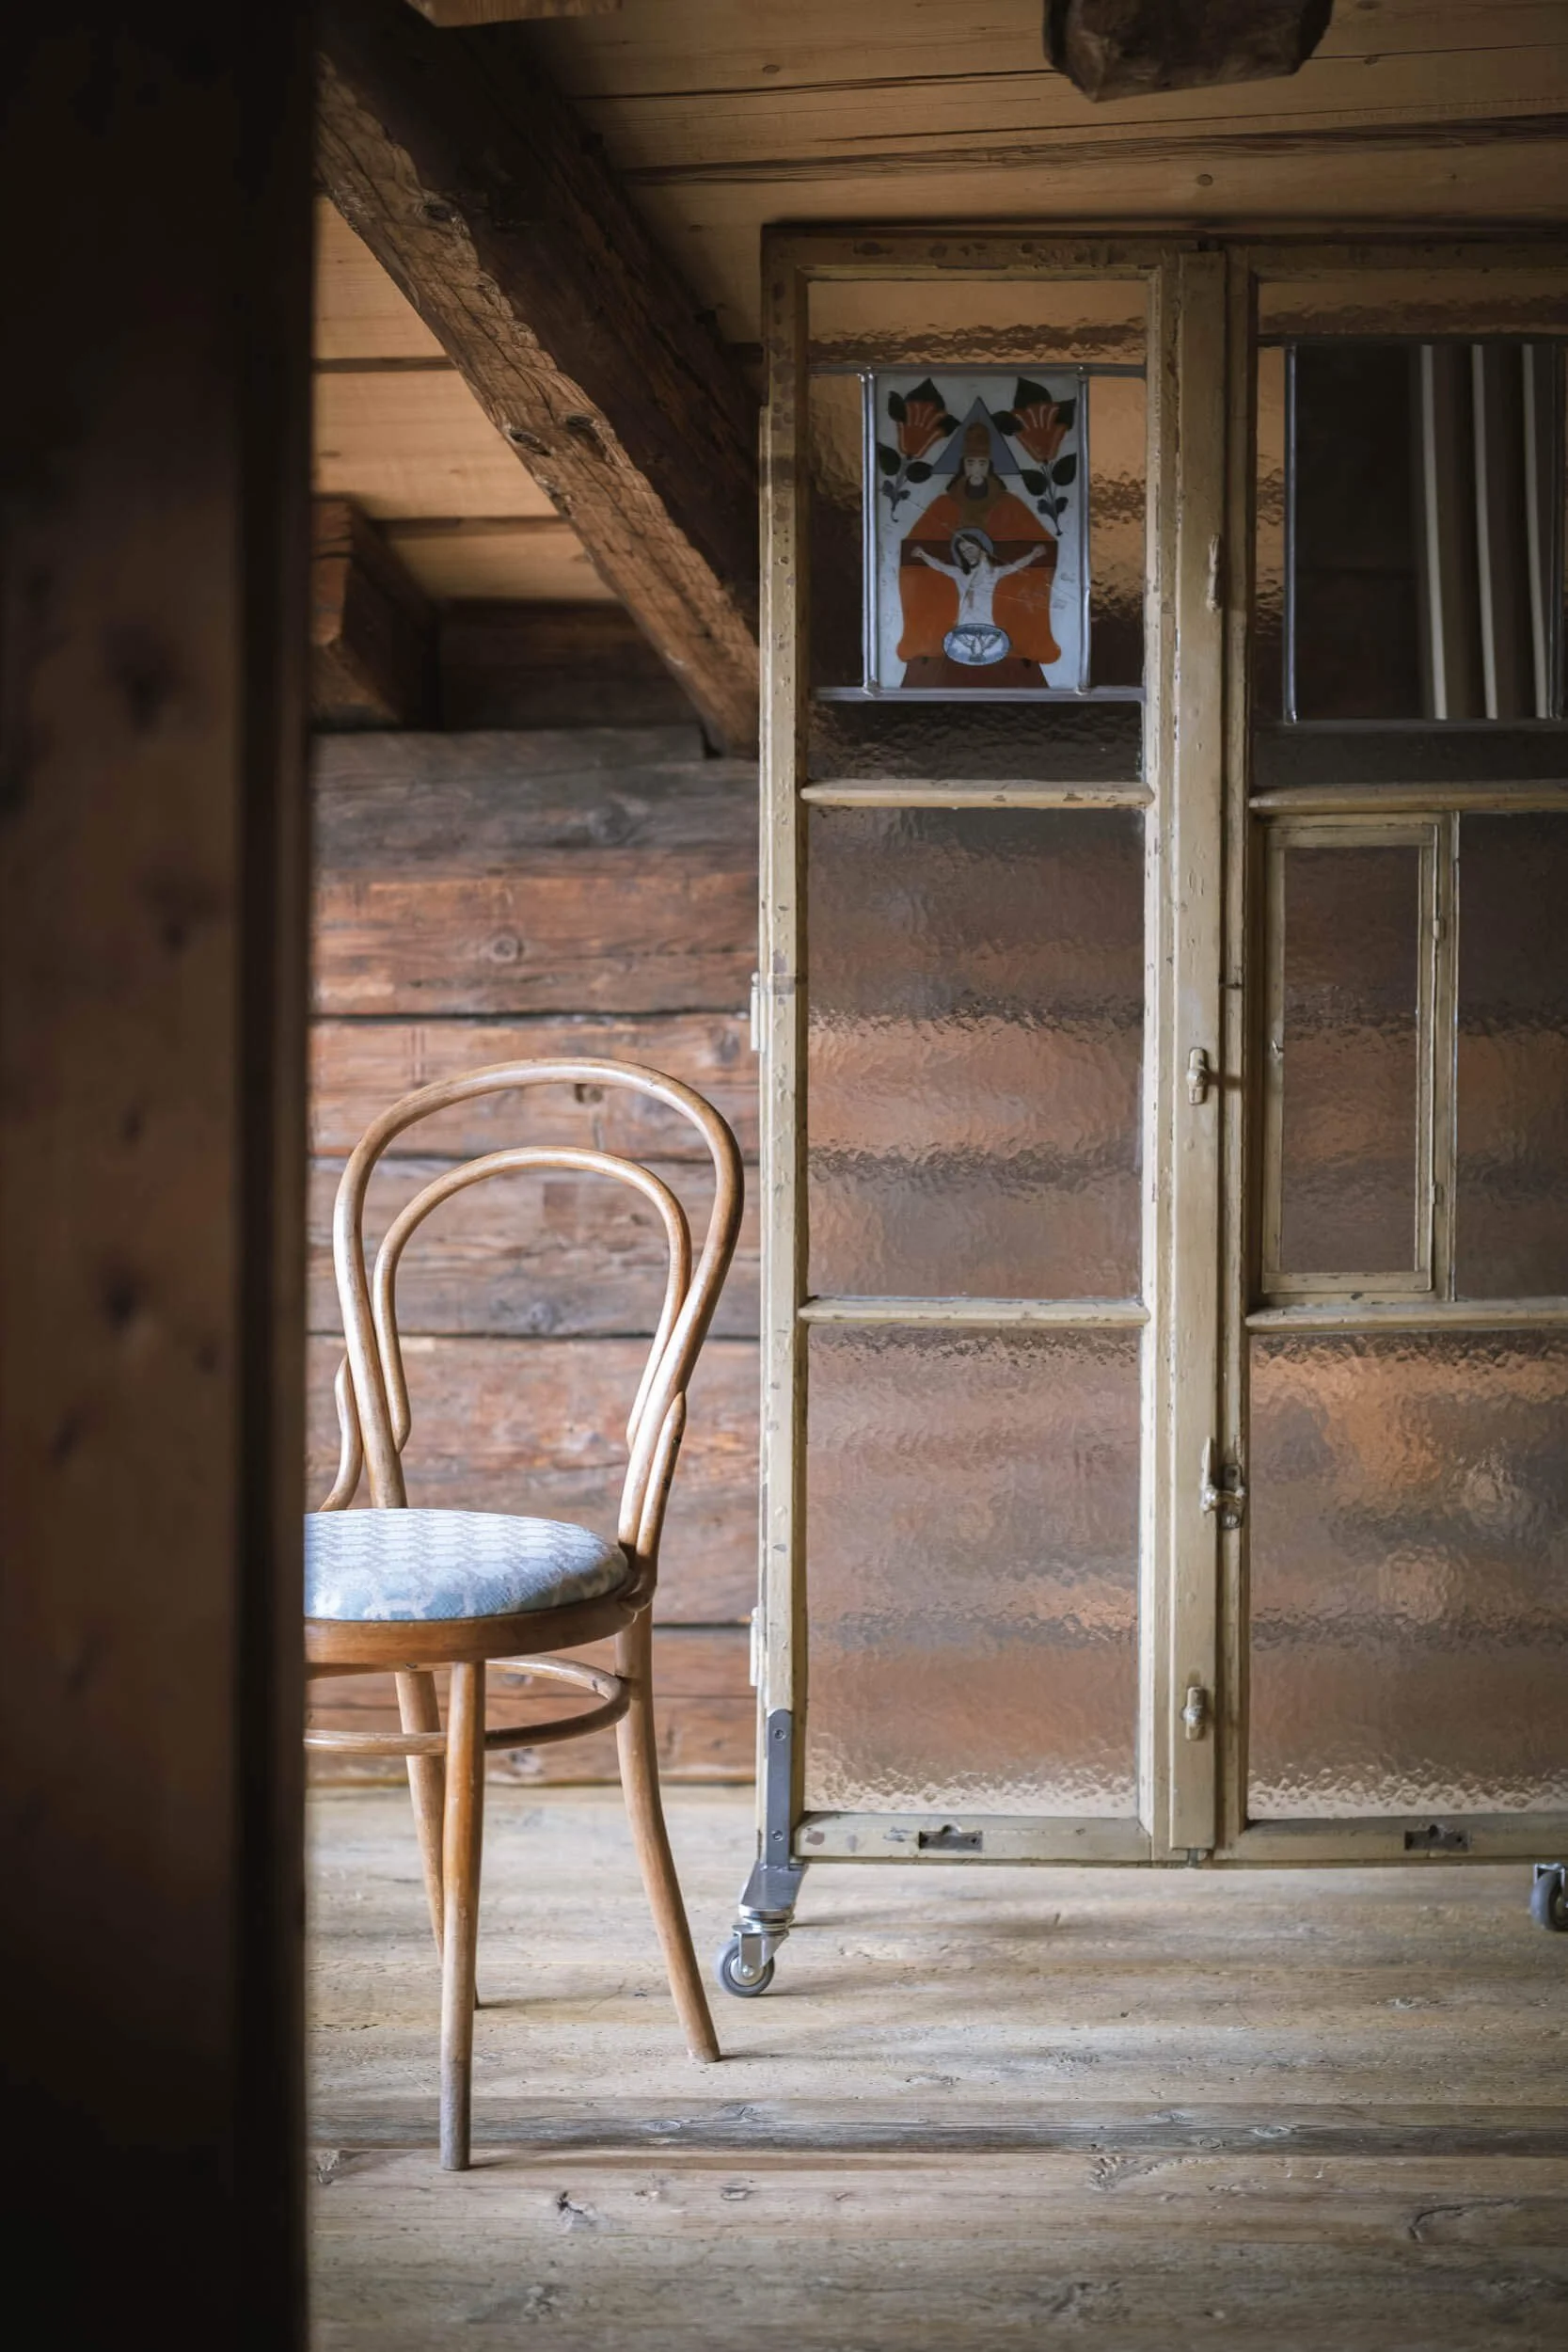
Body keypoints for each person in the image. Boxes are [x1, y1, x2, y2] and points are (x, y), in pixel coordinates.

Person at [895, 418, 1060, 687]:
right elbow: (927, 559)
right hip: (957, 635)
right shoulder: (942, 506)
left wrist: (1034, 553)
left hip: (994, 630)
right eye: (971, 463)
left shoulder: (1010, 506)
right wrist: (922, 555)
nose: (976, 469)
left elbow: (1026, 557)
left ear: (990, 467)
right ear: (963, 466)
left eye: (982, 463)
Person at [910, 530, 1048, 667]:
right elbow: (940, 566)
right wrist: (922, 554)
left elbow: (1016, 565)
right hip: (964, 627)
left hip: (987, 625)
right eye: (963, 552)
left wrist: (1034, 554)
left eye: (970, 548)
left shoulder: (994, 573)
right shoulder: (959, 574)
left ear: (981, 548)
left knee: (991, 656)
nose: (967, 554)